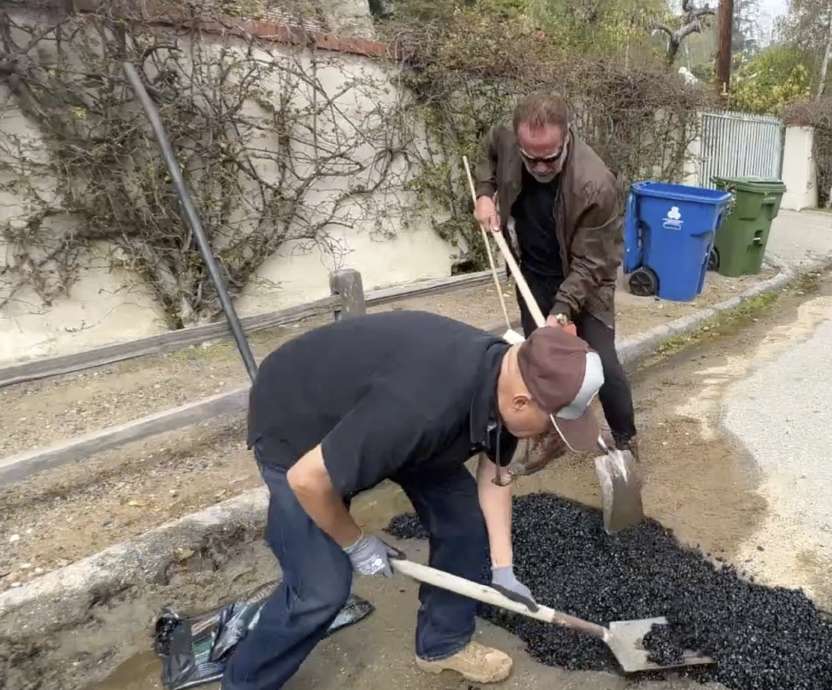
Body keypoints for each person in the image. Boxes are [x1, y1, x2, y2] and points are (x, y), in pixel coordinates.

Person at [222, 310, 605, 689]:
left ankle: (443, 644)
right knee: (321, 589)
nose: (549, 435)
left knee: (465, 526)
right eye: (553, 425)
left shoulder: (505, 375)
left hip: (386, 420)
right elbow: (307, 480)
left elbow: (494, 475)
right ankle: (246, 682)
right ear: (521, 403)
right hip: (298, 421)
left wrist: (504, 568)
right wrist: (355, 543)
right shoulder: (423, 409)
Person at [473, 93, 638, 464]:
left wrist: (562, 310)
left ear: (566, 137)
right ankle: (550, 434)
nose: (540, 167)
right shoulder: (508, 139)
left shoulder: (595, 183)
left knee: (603, 364)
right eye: (530, 158)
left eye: (550, 157)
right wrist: (485, 193)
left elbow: (594, 262)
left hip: (586, 279)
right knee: (540, 365)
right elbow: (490, 152)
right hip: (532, 272)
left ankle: (626, 442)